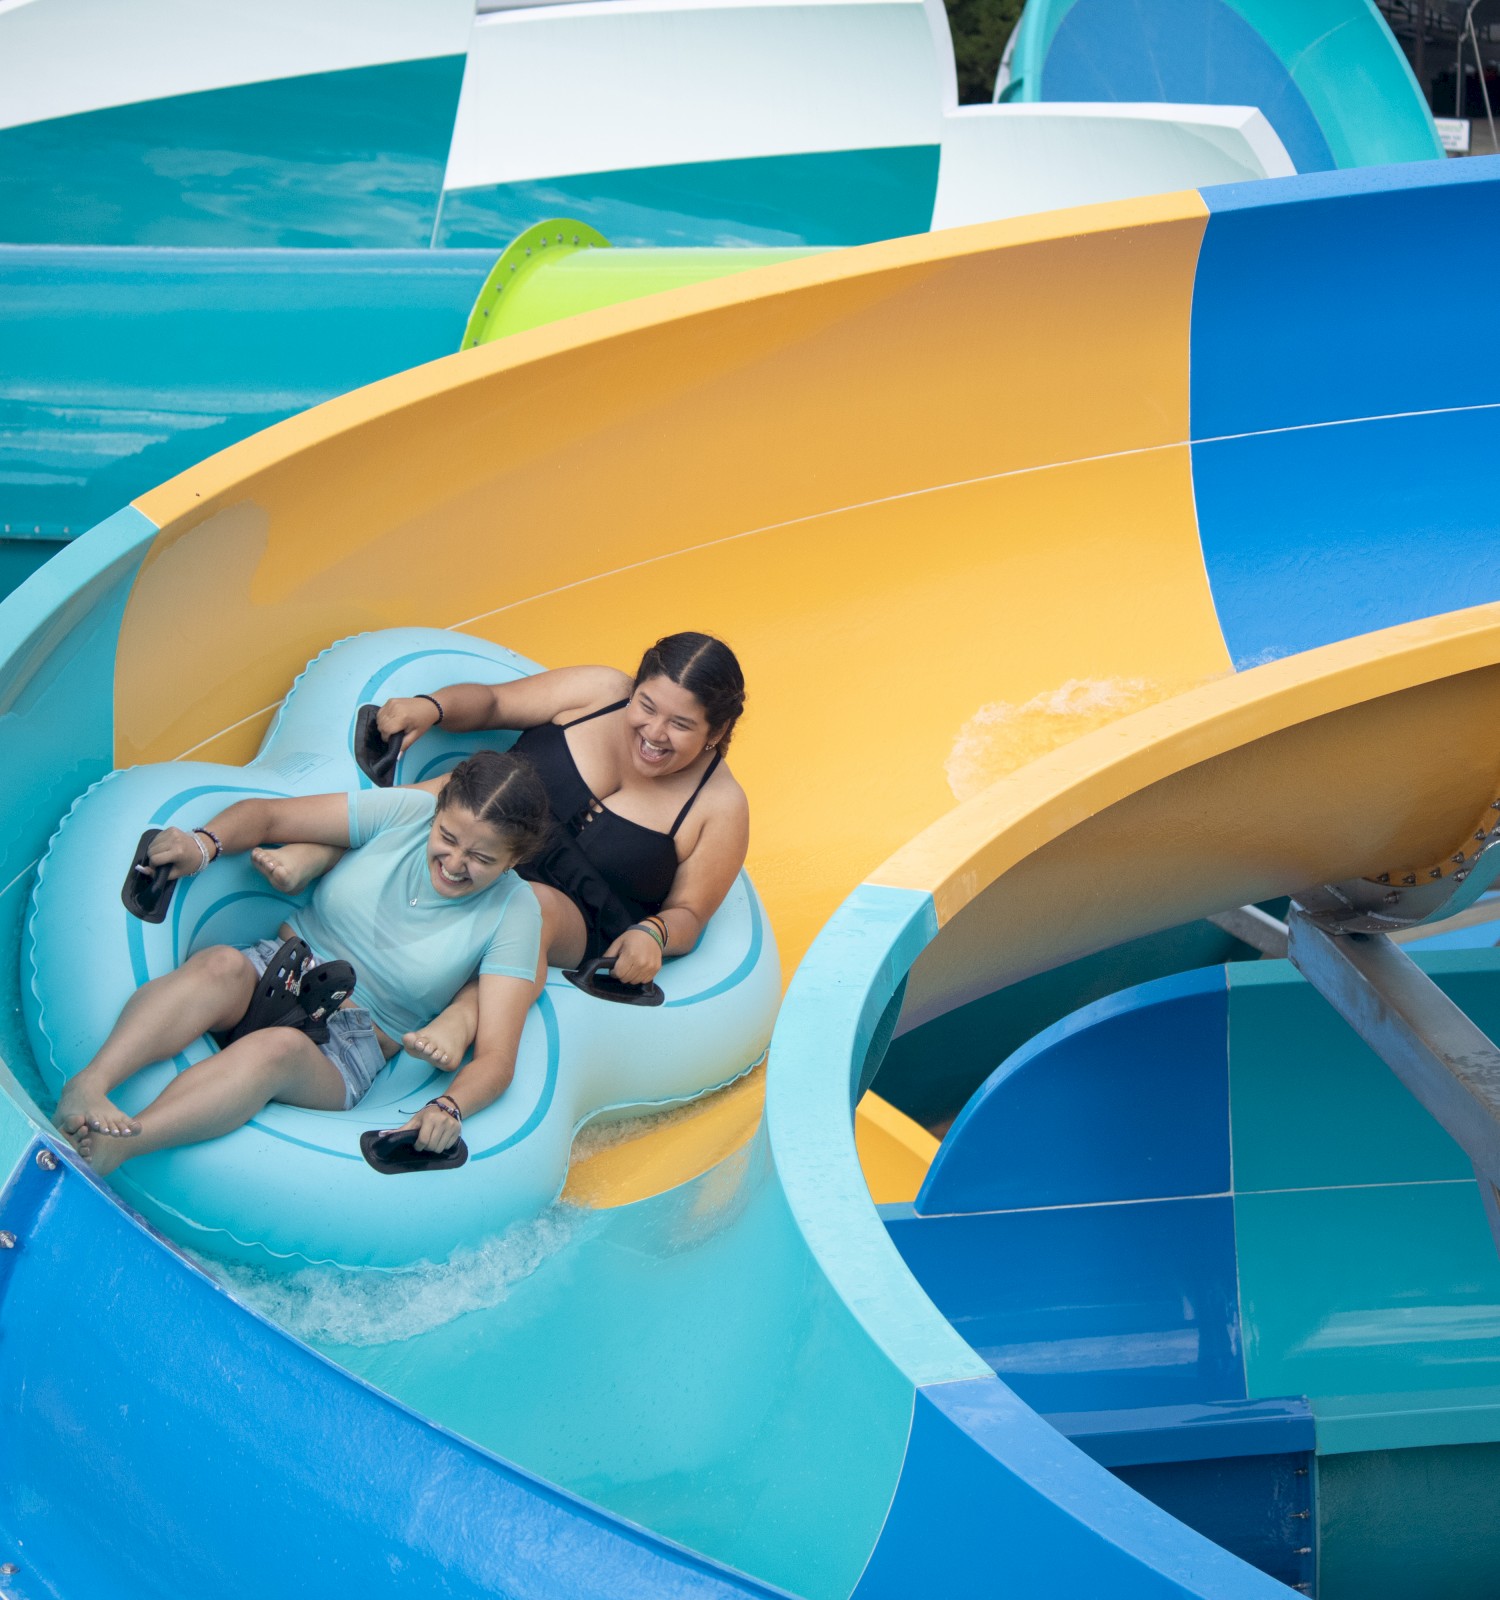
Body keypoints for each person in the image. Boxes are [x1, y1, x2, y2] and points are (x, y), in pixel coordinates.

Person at [255, 632, 749, 1069]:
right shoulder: (599, 692)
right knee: (467, 793)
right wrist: (433, 707)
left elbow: (690, 911)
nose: (654, 733)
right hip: (497, 838)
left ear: (718, 731)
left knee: (532, 907)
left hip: (577, 911)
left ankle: (463, 1017)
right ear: (635, 688)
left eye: (681, 724)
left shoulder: (719, 807)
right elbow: (493, 703)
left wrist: (655, 934)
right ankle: (325, 849)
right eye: (647, 705)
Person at [53, 751, 552, 1176]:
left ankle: (128, 1143)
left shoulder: (515, 912)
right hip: (281, 965)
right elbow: (268, 817)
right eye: (448, 837)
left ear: (513, 860)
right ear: (439, 811)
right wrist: (202, 845)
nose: (455, 862)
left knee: (278, 1050)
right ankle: (90, 1083)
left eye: (482, 859)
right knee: (219, 966)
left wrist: (449, 1105)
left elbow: (495, 1059)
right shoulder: (407, 812)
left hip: (352, 1044)